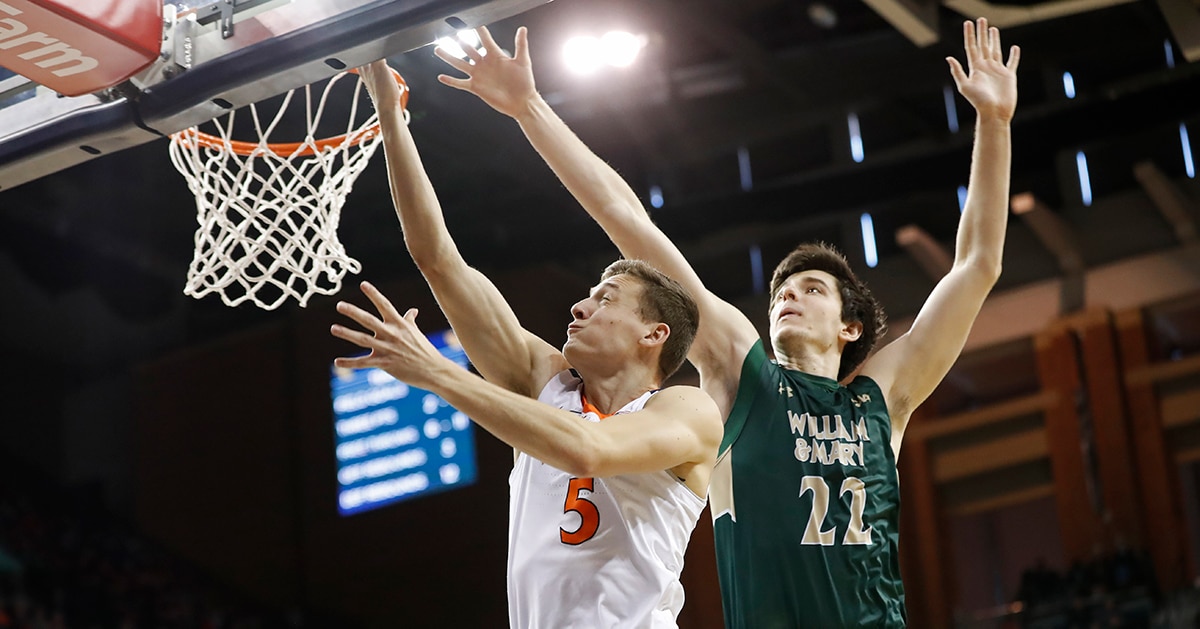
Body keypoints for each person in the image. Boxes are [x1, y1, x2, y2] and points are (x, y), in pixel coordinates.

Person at [434, 19, 1019, 627]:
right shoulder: (745, 374)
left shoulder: (882, 399)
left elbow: (977, 266)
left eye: (812, 289)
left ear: (850, 327)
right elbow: (625, 218)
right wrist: (530, 108)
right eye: (782, 290)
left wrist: (996, 122)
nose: (789, 296)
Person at [330, 60, 724, 628]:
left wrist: (439, 373)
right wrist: (391, 115)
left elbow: (587, 451)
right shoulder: (547, 381)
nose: (580, 307)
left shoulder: (686, 409)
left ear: (653, 334)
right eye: (587, 296)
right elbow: (437, 259)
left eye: (606, 299)